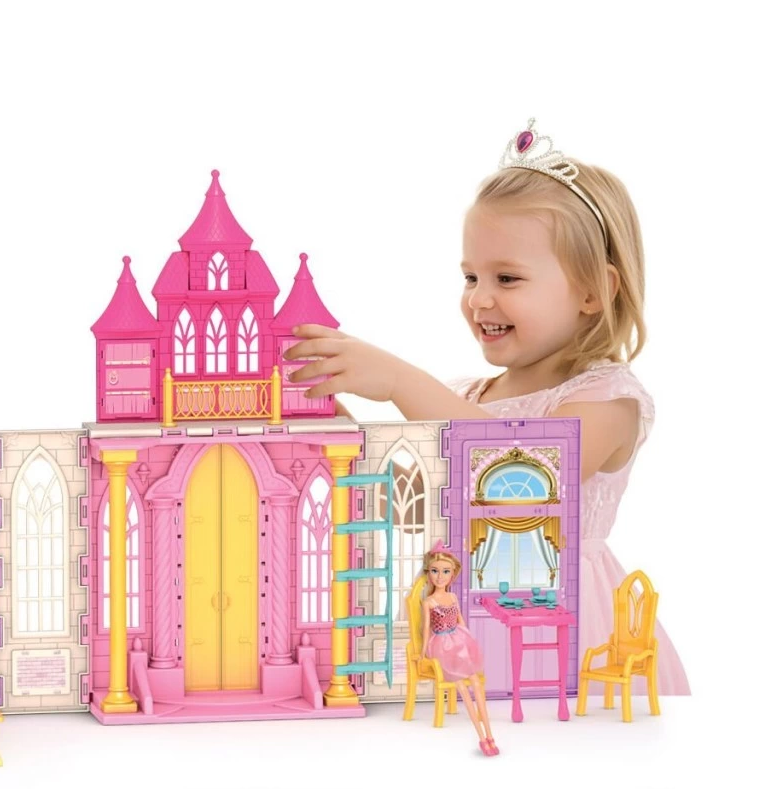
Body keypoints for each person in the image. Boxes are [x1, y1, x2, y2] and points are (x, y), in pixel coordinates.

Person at [283, 119, 689, 695]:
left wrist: (398, 379)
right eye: (471, 276)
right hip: (466, 616)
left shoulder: (607, 400)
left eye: (507, 278)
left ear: (593, 291)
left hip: (564, 624)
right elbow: (399, 479)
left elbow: (522, 470)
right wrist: (332, 417)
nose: (479, 299)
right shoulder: (468, 397)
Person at [420, 542, 498, 756]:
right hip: (441, 645)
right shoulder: (429, 601)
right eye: (435, 571)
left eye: (445, 572)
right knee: (462, 686)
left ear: (452, 574)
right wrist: (423, 651)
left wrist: (468, 641)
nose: (440, 577)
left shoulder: (453, 597)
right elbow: (426, 628)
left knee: (476, 683)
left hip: (458, 641)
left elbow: (460, 621)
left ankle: (490, 734)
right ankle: (481, 737)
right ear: (429, 573)